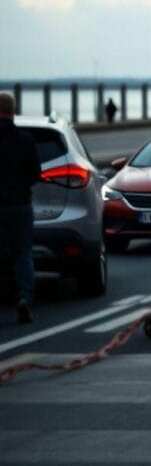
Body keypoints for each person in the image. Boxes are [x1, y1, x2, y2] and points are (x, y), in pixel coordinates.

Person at [0, 92, 40, 323]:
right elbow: (35, 173)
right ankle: (24, 296)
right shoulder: (25, 139)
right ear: (13, 111)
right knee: (23, 254)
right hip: (21, 205)